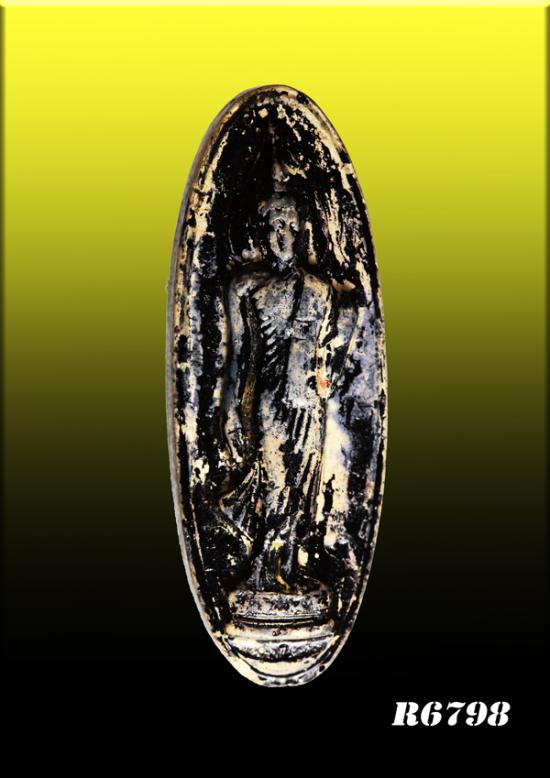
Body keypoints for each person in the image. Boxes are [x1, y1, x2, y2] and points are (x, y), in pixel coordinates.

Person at [218, 191, 338, 593]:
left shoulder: (320, 289)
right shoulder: (245, 287)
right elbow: (237, 357)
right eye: (273, 227)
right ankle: (261, 573)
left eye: (288, 226)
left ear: (301, 231)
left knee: (300, 491)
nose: (281, 235)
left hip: (308, 403)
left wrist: (325, 380)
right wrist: (231, 412)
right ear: (262, 233)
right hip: (268, 400)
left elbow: (326, 355)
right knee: (274, 484)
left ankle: (288, 569)